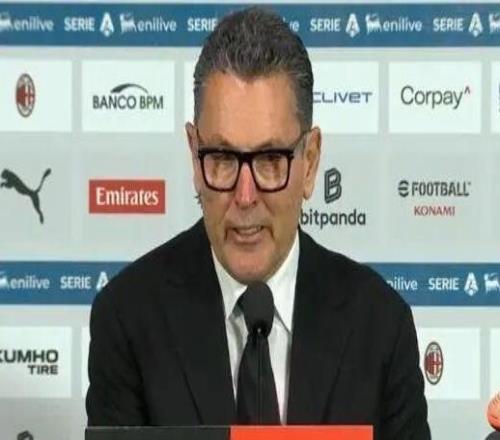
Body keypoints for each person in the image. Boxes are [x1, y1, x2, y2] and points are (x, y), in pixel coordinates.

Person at [86, 7, 431, 439]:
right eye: (222, 158)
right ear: (194, 154)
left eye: (270, 160)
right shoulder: (127, 319)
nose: (245, 196)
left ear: (310, 162)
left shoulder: (381, 326)